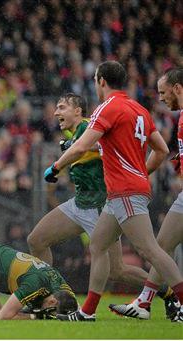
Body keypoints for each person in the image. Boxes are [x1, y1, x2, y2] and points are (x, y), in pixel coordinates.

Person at [43, 61, 183, 322]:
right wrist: (141, 173)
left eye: (96, 80)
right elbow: (161, 150)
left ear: (102, 81)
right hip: (120, 192)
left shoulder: (108, 107)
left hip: (125, 191)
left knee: (151, 251)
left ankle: (179, 300)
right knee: (98, 245)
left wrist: (55, 167)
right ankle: (87, 312)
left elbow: (83, 146)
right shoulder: (138, 109)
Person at [109, 67, 183, 321]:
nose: (161, 98)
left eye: (164, 92)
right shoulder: (180, 117)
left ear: (177, 88)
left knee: (156, 247)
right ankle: (144, 302)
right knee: (162, 245)